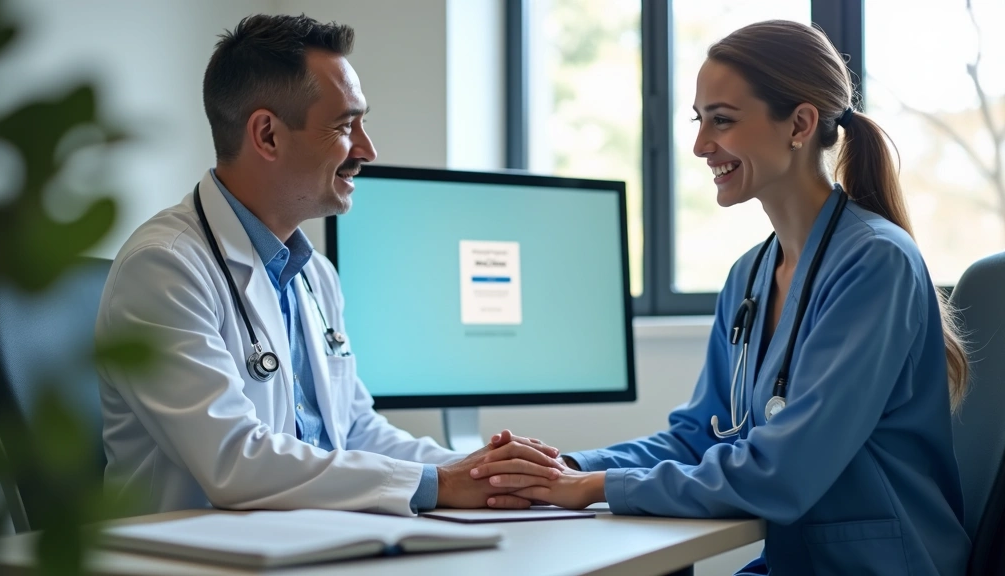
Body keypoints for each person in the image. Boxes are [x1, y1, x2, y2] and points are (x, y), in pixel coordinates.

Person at [473, 20, 972, 575]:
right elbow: (698, 436)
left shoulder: (876, 262)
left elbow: (784, 471)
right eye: (699, 120)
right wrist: (562, 467)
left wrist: (593, 487)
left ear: (800, 124)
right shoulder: (749, 276)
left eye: (722, 121)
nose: (699, 145)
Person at [96, 14, 563, 517]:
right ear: (268, 135)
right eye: (345, 126)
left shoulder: (313, 274)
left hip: (306, 544)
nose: (367, 149)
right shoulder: (165, 269)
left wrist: (479, 472)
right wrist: (440, 484)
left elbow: (356, 429)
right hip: (185, 559)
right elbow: (234, 461)